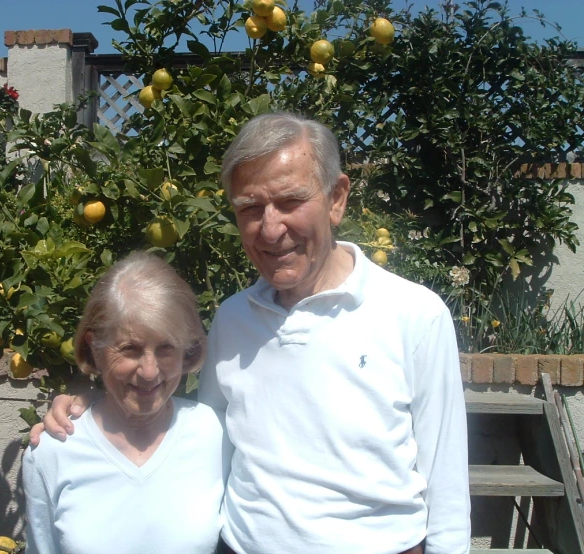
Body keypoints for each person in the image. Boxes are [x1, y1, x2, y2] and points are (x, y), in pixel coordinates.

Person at [32, 112, 471, 554]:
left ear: (336, 199)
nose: (271, 228)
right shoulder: (233, 318)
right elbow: (191, 433)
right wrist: (88, 408)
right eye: (251, 208)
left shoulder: (414, 315)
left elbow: (446, 478)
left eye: (290, 201)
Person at [22, 251, 231, 554]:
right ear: (95, 347)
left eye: (166, 348)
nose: (149, 371)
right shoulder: (54, 450)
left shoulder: (215, 434)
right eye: (130, 349)